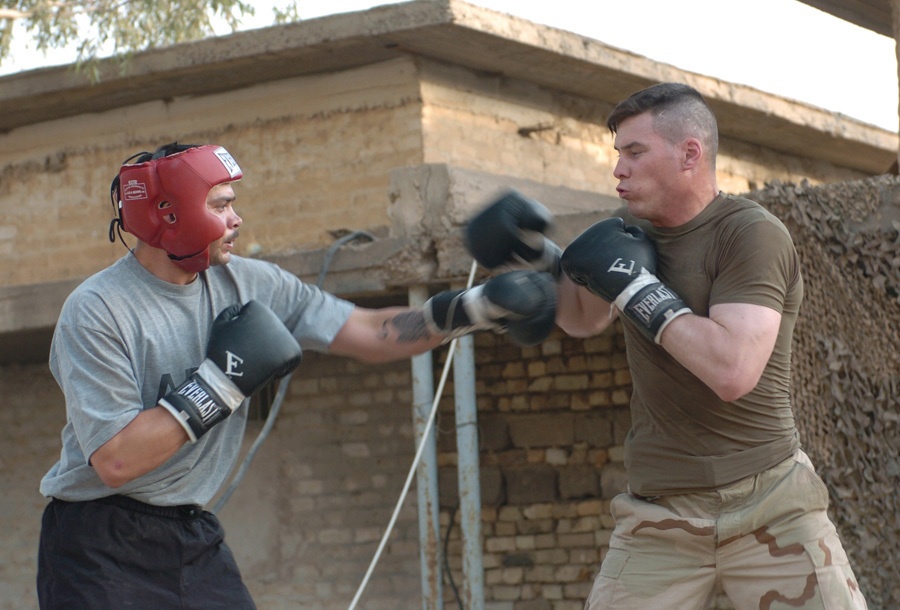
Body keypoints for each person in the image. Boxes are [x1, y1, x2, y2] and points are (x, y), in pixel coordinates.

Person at [37, 142, 557, 609]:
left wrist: (472, 309)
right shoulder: (98, 310)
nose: (237, 218)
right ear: (168, 214)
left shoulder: (248, 281)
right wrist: (223, 381)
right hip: (98, 539)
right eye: (220, 204)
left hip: (191, 531)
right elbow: (117, 459)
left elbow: (366, 331)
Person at [465, 83, 867, 609]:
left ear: (689, 154)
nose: (618, 169)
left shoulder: (750, 235)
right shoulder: (631, 235)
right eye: (618, 155)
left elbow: (732, 370)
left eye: (635, 152)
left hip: (771, 503)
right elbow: (584, 319)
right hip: (660, 516)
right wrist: (538, 257)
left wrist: (635, 288)